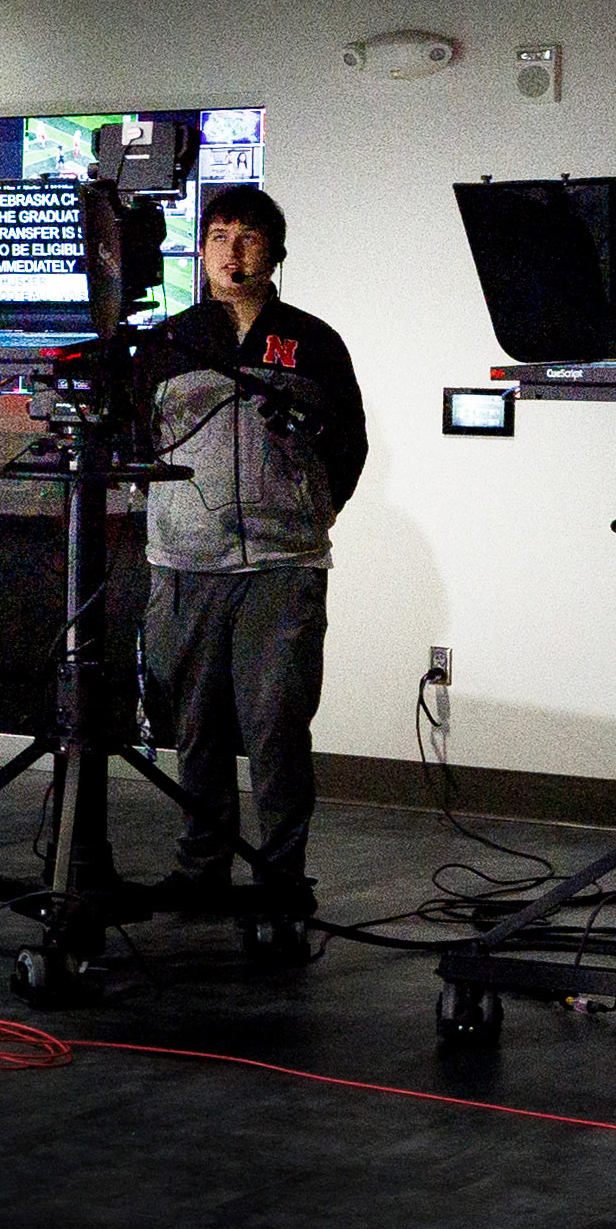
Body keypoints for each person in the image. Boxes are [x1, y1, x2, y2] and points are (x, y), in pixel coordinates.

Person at [133, 182, 367, 910]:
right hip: (184, 564)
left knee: (276, 725)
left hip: (280, 565)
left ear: (275, 252)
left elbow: (351, 449)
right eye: (219, 235)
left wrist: (305, 507)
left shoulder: (314, 341)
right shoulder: (168, 343)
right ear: (200, 251)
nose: (232, 252)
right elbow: (139, 446)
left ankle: (280, 878)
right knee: (195, 729)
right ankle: (202, 866)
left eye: (249, 237)